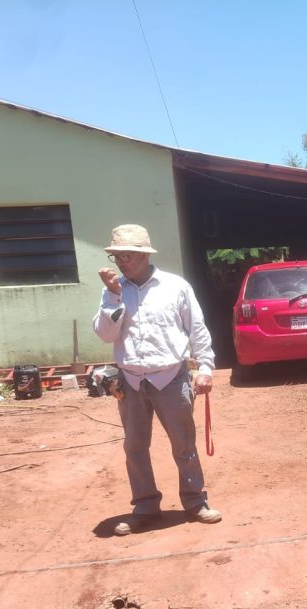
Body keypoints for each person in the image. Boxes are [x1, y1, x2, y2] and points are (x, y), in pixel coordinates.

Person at [93, 224, 222, 536]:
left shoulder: (175, 286)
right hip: (131, 381)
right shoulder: (113, 291)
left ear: (143, 255)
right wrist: (113, 297)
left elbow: (197, 328)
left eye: (126, 255)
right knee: (135, 447)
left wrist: (205, 367)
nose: (120, 262)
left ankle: (195, 502)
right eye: (115, 256)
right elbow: (104, 334)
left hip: (171, 378)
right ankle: (146, 507)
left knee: (183, 444)